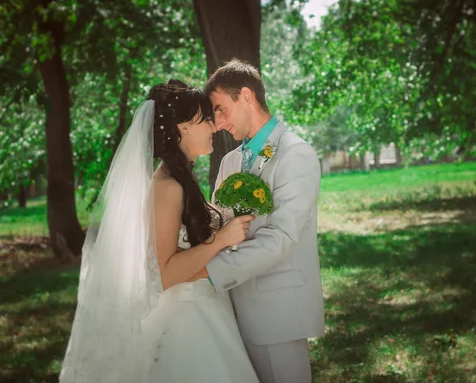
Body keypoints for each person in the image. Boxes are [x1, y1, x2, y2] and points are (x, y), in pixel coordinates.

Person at [59, 81, 259, 383]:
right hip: (187, 325)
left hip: (206, 310)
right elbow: (163, 273)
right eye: (205, 119)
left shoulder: (180, 179)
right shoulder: (167, 187)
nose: (214, 126)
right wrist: (222, 238)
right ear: (182, 128)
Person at [196, 59, 325, 383]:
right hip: (230, 309)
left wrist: (207, 274)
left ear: (246, 96)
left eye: (220, 109)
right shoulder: (230, 162)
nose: (218, 122)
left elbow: (281, 236)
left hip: (277, 311)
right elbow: (218, 223)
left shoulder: (296, 153)